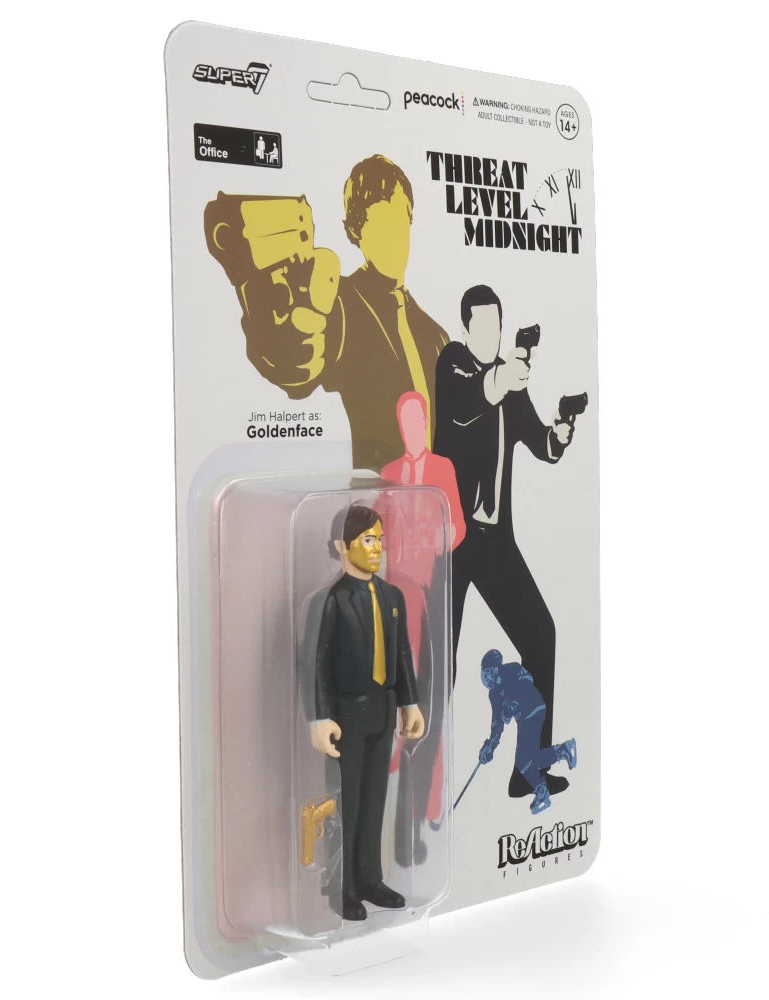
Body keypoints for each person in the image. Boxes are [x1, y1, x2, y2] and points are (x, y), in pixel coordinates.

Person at [204, 155, 449, 470]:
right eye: (379, 223)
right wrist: (283, 340)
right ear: (355, 231)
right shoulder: (342, 302)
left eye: (399, 219)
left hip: (439, 495)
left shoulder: (435, 335)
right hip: (376, 495)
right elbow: (301, 344)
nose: (394, 236)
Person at [433, 284, 579, 799]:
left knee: (541, 635)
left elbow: (539, 442)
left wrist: (559, 434)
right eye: (482, 325)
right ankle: (422, 780)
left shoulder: (509, 384)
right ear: (466, 327)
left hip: (494, 541)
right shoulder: (452, 365)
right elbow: (465, 405)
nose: (491, 333)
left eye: (497, 324)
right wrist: (500, 378)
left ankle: (528, 769)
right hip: (451, 538)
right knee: (440, 661)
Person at [311, 505, 425, 921]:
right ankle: (341, 886)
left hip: (382, 713)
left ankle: (369, 878)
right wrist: (319, 717)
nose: (377, 548)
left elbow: (402, 654)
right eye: (367, 540)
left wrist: (410, 703)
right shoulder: (331, 601)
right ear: (342, 546)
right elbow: (316, 664)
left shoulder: (392, 597)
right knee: (347, 801)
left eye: (380, 539)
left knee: (375, 798)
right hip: (345, 716)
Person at [380, 391, 465, 859]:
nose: (412, 428)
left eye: (419, 420)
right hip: (397, 597)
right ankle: (390, 780)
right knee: (398, 698)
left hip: (431, 596)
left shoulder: (443, 469)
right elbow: (373, 526)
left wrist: (444, 533)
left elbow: (458, 529)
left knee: (431, 704)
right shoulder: (389, 474)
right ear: (400, 425)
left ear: (426, 423)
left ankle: (428, 805)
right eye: (405, 421)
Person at [477, 650, 576, 814]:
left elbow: (527, 682)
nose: (487, 676)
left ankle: (541, 789)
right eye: (484, 672)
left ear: (496, 668)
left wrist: (513, 701)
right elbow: (497, 722)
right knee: (530, 760)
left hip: (534, 709)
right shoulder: (494, 694)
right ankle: (563, 751)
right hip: (524, 719)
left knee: (523, 762)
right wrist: (490, 746)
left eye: (489, 671)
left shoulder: (512, 669)